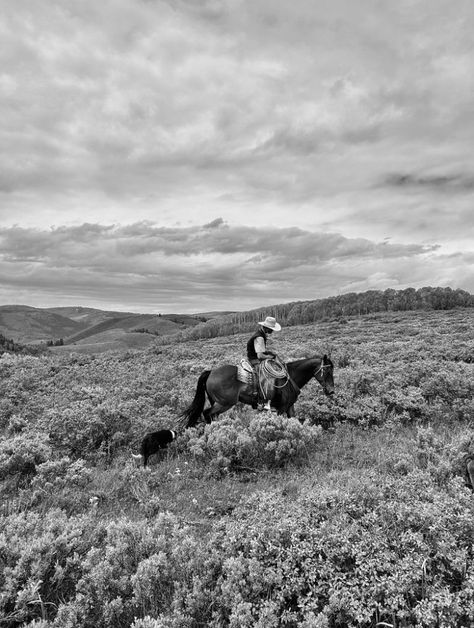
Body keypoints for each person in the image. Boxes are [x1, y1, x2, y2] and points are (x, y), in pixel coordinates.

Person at [246, 316, 281, 410]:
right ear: (266, 328)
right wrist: (269, 356)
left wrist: (269, 353)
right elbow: (260, 356)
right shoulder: (260, 337)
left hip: (253, 357)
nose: (272, 331)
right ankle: (264, 402)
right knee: (268, 374)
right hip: (255, 359)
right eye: (271, 329)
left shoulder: (260, 333)